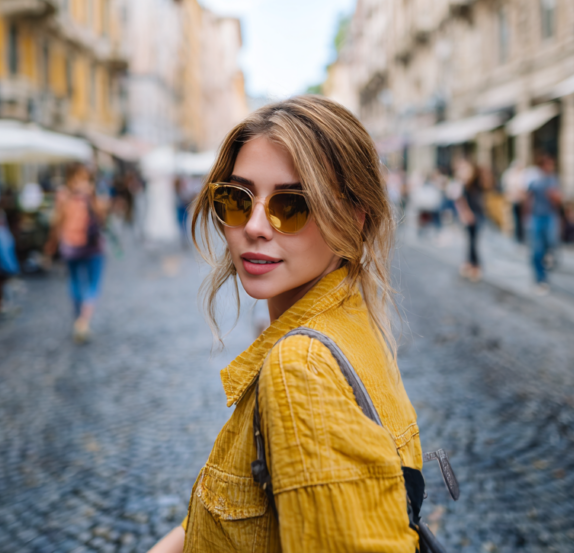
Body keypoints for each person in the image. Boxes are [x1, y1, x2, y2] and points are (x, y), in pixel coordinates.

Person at [148, 96, 423, 552]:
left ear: (354, 221)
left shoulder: (303, 368)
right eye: (237, 199)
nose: (255, 226)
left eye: (291, 205)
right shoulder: (352, 321)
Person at [46, 164, 107, 343]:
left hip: (70, 246)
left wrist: (51, 245)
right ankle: (83, 321)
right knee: (92, 284)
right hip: (92, 246)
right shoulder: (90, 194)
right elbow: (102, 219)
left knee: (74, 282)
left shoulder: (63, 195)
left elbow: (57, 222)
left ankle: (79, 318)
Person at [526, 153, 561, 294]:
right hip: (536, 217)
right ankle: (540, 278)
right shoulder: (534, 180)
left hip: (550, 216)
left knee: (550, 243)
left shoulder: (553, 180)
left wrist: (554, 197)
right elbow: (528, 198)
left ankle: (548, 260)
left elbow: (559, 200)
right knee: (537, 250)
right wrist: (526, 217)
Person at [456, 161, 486, 281]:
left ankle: (474, 265)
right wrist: (465, 213)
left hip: (478, 214)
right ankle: (472, 264)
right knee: (471, 241)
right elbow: (460, 200)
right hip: (471, 215)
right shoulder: (464, 184)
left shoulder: (476, 183)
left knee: (473, 241)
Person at [502, 161, 527, 243]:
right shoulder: (510, 174)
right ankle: (517, 235)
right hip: (512, 199)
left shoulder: (522, 174)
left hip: (521, 201)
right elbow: (506, 187)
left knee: (521, 219)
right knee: (514, 218)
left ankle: (521, 235)